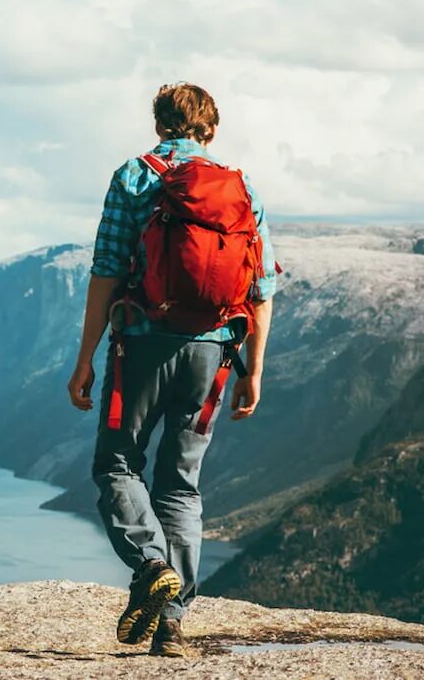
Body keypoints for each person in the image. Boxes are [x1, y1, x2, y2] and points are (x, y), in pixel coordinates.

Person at [66, 82, 277, 658]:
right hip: (212, 356)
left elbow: (106, 271)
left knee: (116, 462)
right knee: (181, 485)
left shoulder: (135, 176)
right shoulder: (242, 186)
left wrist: (85, 357)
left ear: (161, 123)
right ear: (211, 127)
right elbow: (261, 287)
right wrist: (254, 369)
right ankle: (173, 624)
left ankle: (150, 565)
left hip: (141, 344)